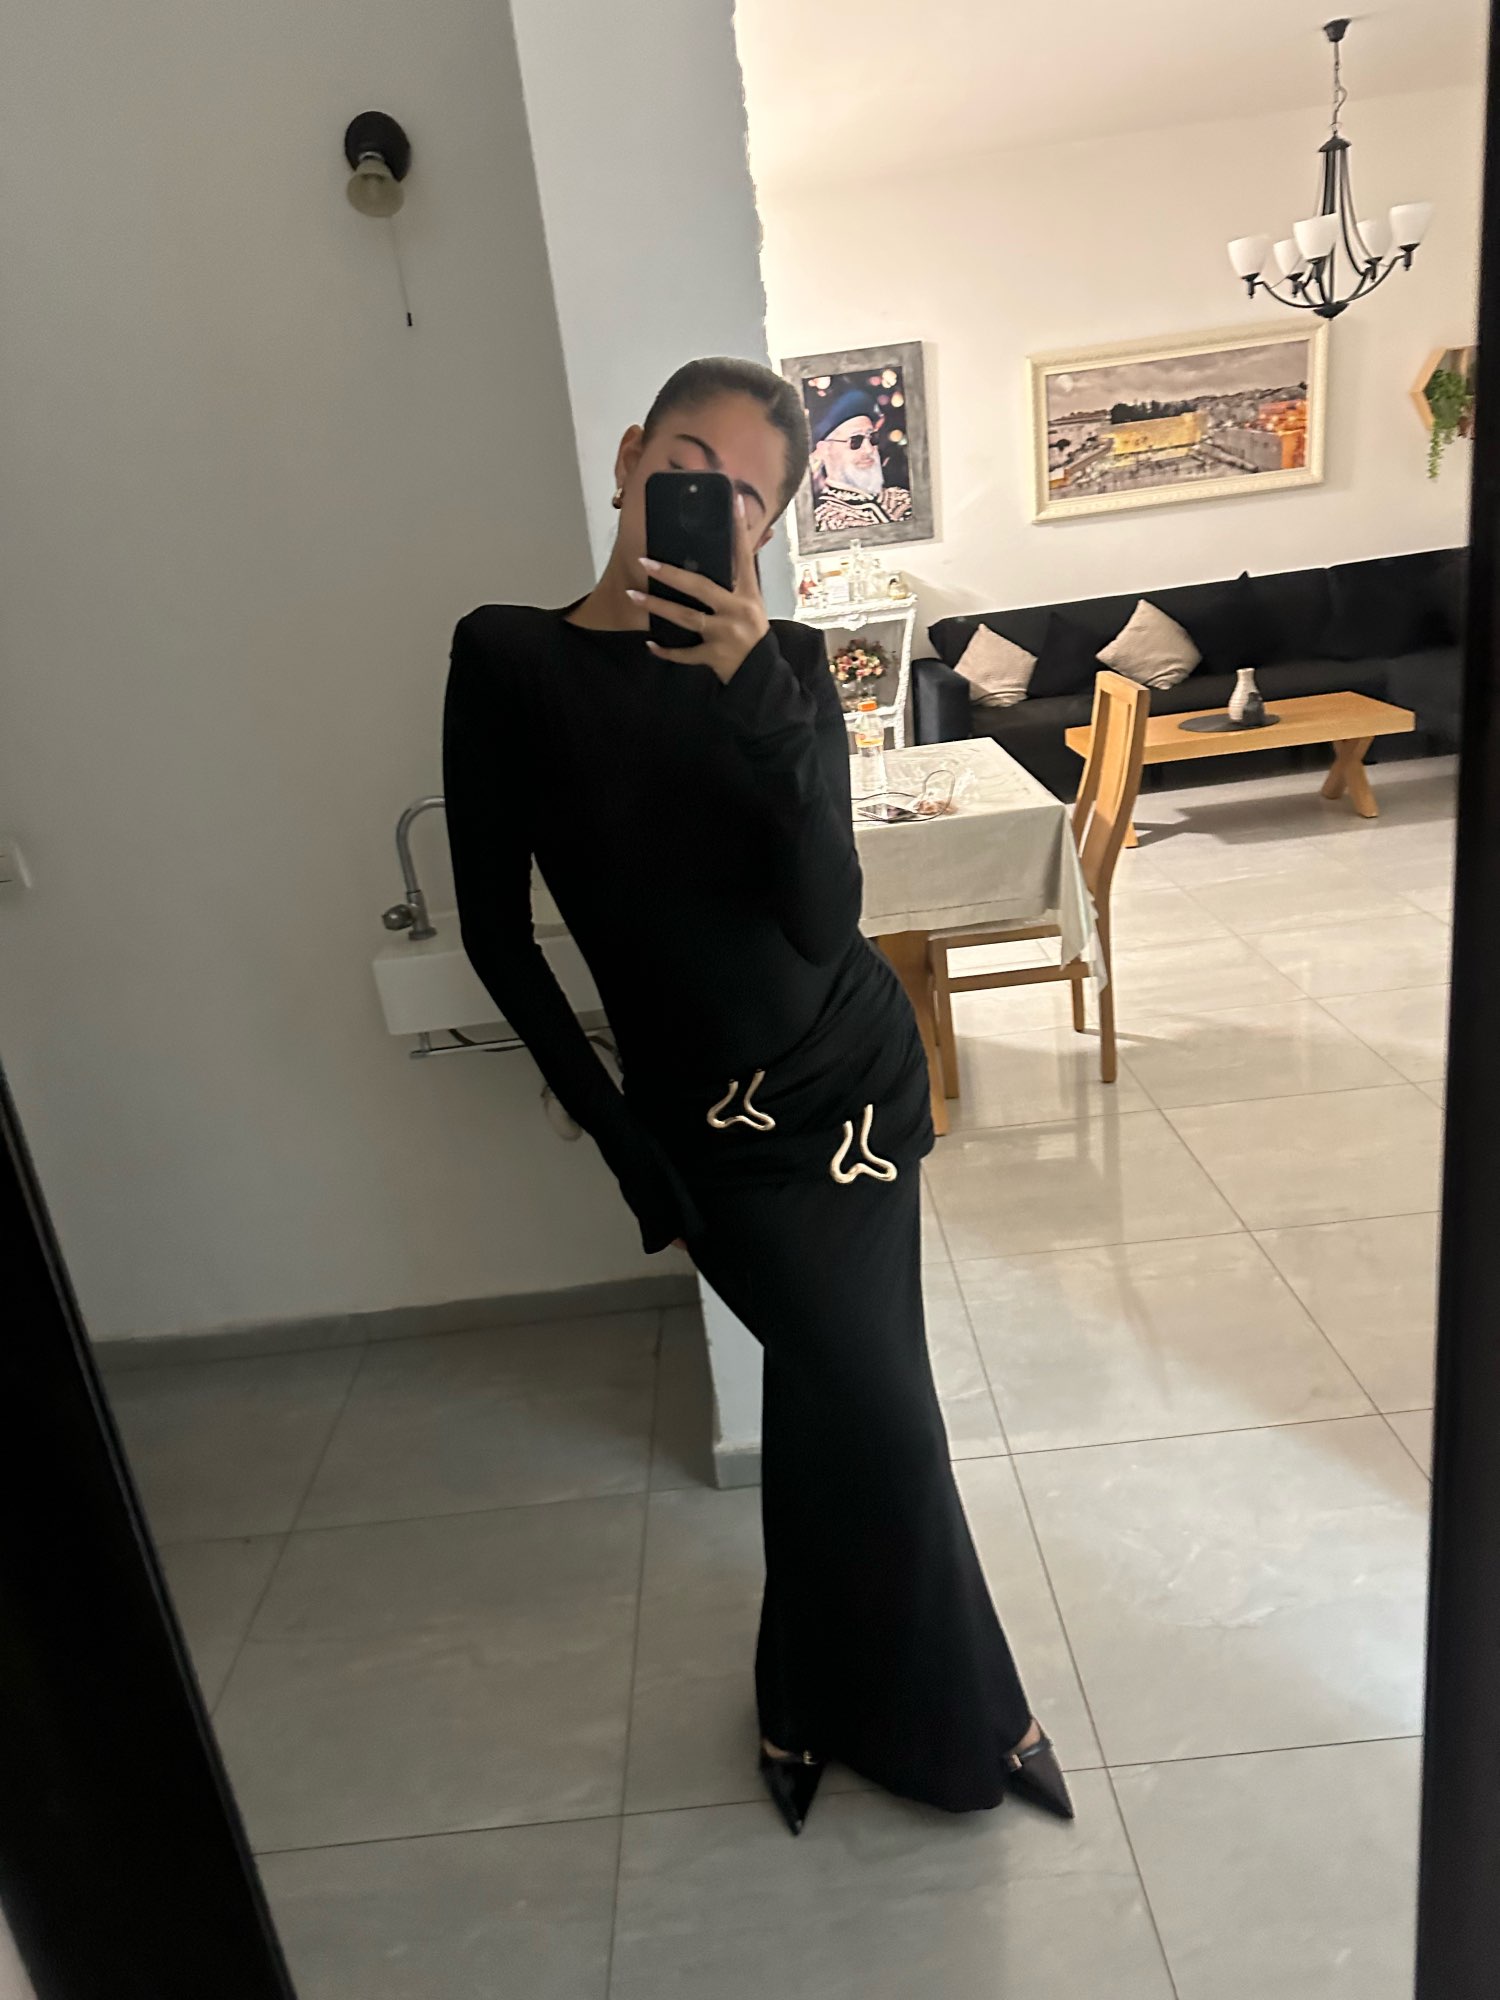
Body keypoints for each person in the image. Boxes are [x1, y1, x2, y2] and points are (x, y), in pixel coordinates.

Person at [441, 356, 1071, 1835]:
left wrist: (756, 701)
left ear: (769, 528)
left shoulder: (783, 663)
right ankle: (962, 1719)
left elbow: (822, 914)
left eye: (742, 494)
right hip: (710, 1134)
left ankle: (817, 1693)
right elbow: (494, 936)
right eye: (683, 465)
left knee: (850, 1407)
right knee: (881, 1416)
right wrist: (624, 1152)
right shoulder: (508, 657)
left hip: (856, 1089)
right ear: (626, 459)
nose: (703, 502)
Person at [809, 385, 913, 535]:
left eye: (872, 438)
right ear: (825, 449)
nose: (869, 449)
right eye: (855, 441)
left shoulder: (902, 497)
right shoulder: (824, 520)